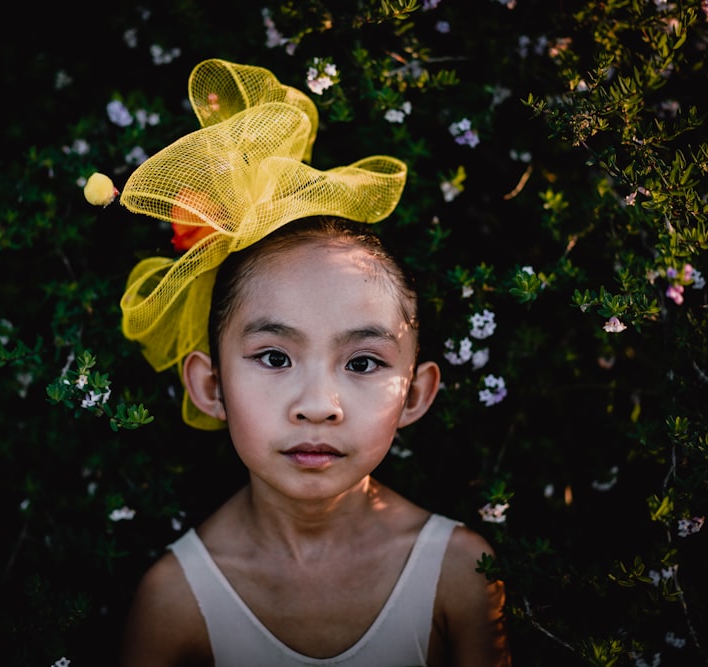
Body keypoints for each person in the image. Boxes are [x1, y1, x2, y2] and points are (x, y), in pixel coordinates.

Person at [108, 58, 510, 667]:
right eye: (274, 356)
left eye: (364, 363)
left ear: (417, 393)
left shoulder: (458, 576)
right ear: (209, 386)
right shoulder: (174, 602)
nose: (318, 405)